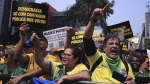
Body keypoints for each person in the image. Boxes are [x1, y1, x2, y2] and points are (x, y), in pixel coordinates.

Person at [83, 4, 135, 84]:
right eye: (111, 43)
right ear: (104, 48)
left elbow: (132, 81)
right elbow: (87, 38)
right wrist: (94, 19)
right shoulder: (97, 58)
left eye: (117, 44)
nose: (114, 46)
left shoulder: (126, 65)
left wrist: (132, 82)